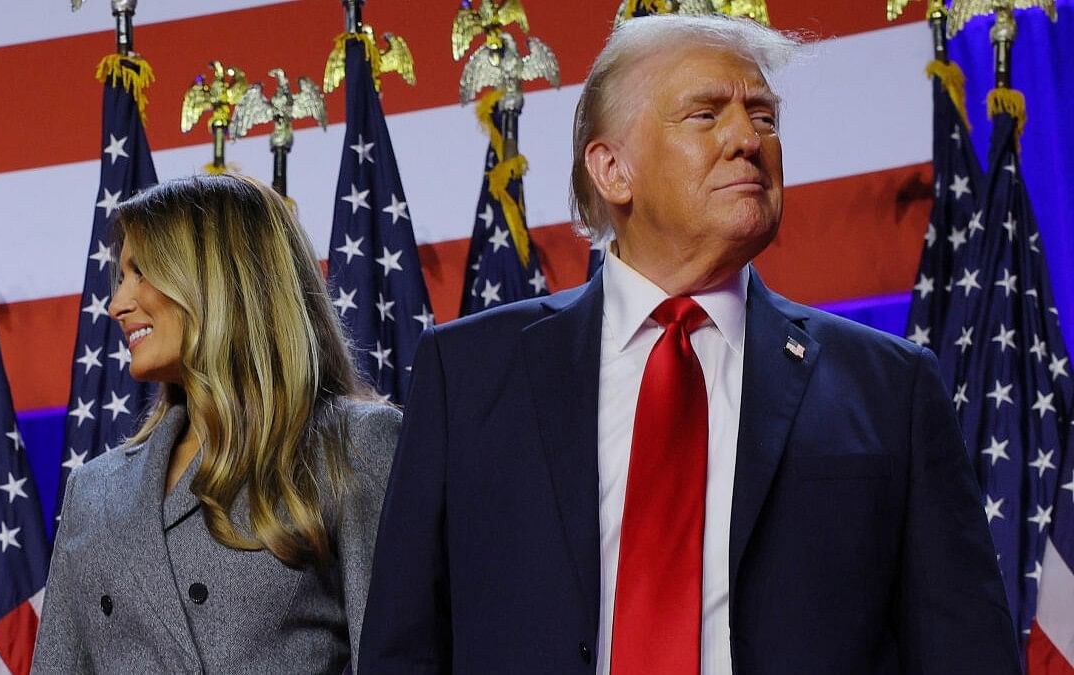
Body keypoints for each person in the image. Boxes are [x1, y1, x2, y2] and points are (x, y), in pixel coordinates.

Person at [359, 14, 1018, 675]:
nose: (747, 140)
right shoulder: (469, 372)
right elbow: (404, 649)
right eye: (706, 115)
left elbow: (966, 651)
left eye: (762, 116)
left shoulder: (887, 387)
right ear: (613, 169)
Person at [33, 174, 400, 672]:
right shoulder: (93, 491)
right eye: (121, 277)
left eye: (141, 272)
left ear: (218, 280)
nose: (117, 304)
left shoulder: (352, 445)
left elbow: (396, 659)